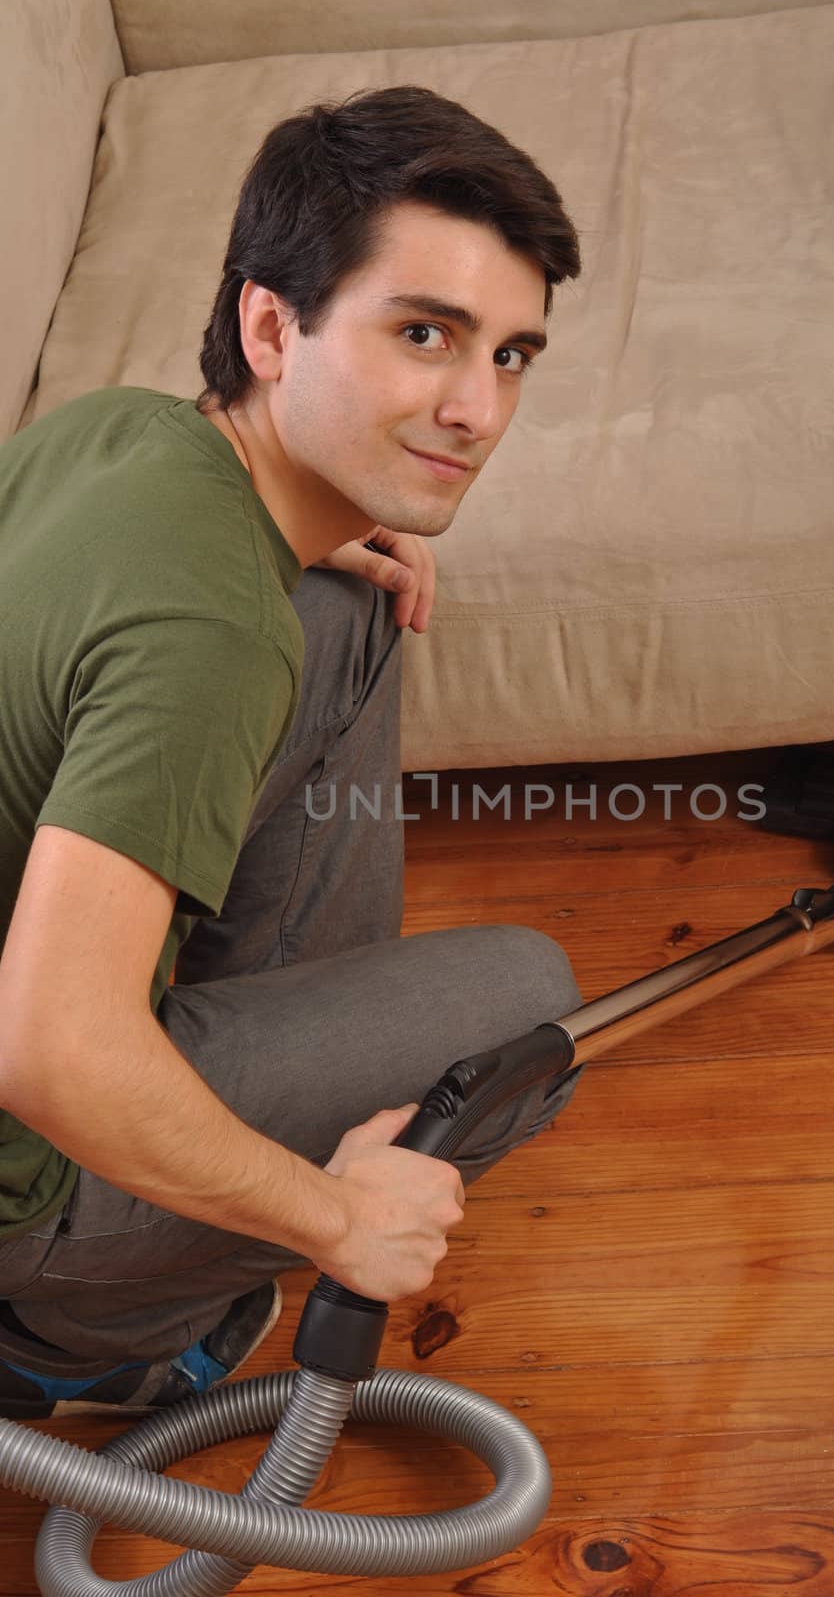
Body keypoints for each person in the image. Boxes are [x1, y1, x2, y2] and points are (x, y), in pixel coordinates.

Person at [0, 85, 584, 1419]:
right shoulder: (205, 625)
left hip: (29, 957)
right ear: (273, 324)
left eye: (510, 355)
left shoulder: (118, 430)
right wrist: (332, 1218)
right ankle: (86, 1340)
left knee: (347, 604)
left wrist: (299, 562)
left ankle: (221, 1142)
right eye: (425, 334)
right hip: (19, 1153)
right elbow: (45, 1050)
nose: (478, 408)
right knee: (522, 1004)